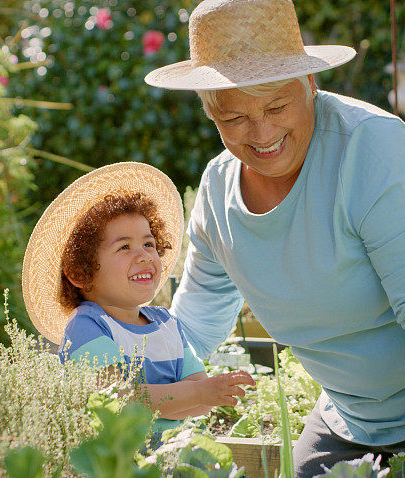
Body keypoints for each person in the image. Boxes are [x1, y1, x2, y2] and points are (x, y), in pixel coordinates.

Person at [144, 0, 405, 475]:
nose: (263, 132)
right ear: (211, 113)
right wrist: (121, 381)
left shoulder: (373, 151)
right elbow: (194, 326)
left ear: (310, 84)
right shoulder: (217, 195)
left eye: (277, 106)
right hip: (357, 416)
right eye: (235, 118)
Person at [21, 162, 255, 432]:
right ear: (80, 273)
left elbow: (200, 405)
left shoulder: (167, 323)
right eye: (124, 247)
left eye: (148, 244)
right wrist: (193, 393)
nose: (144, 255)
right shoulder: (88, 326)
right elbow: (118, 400)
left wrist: (193, 394)